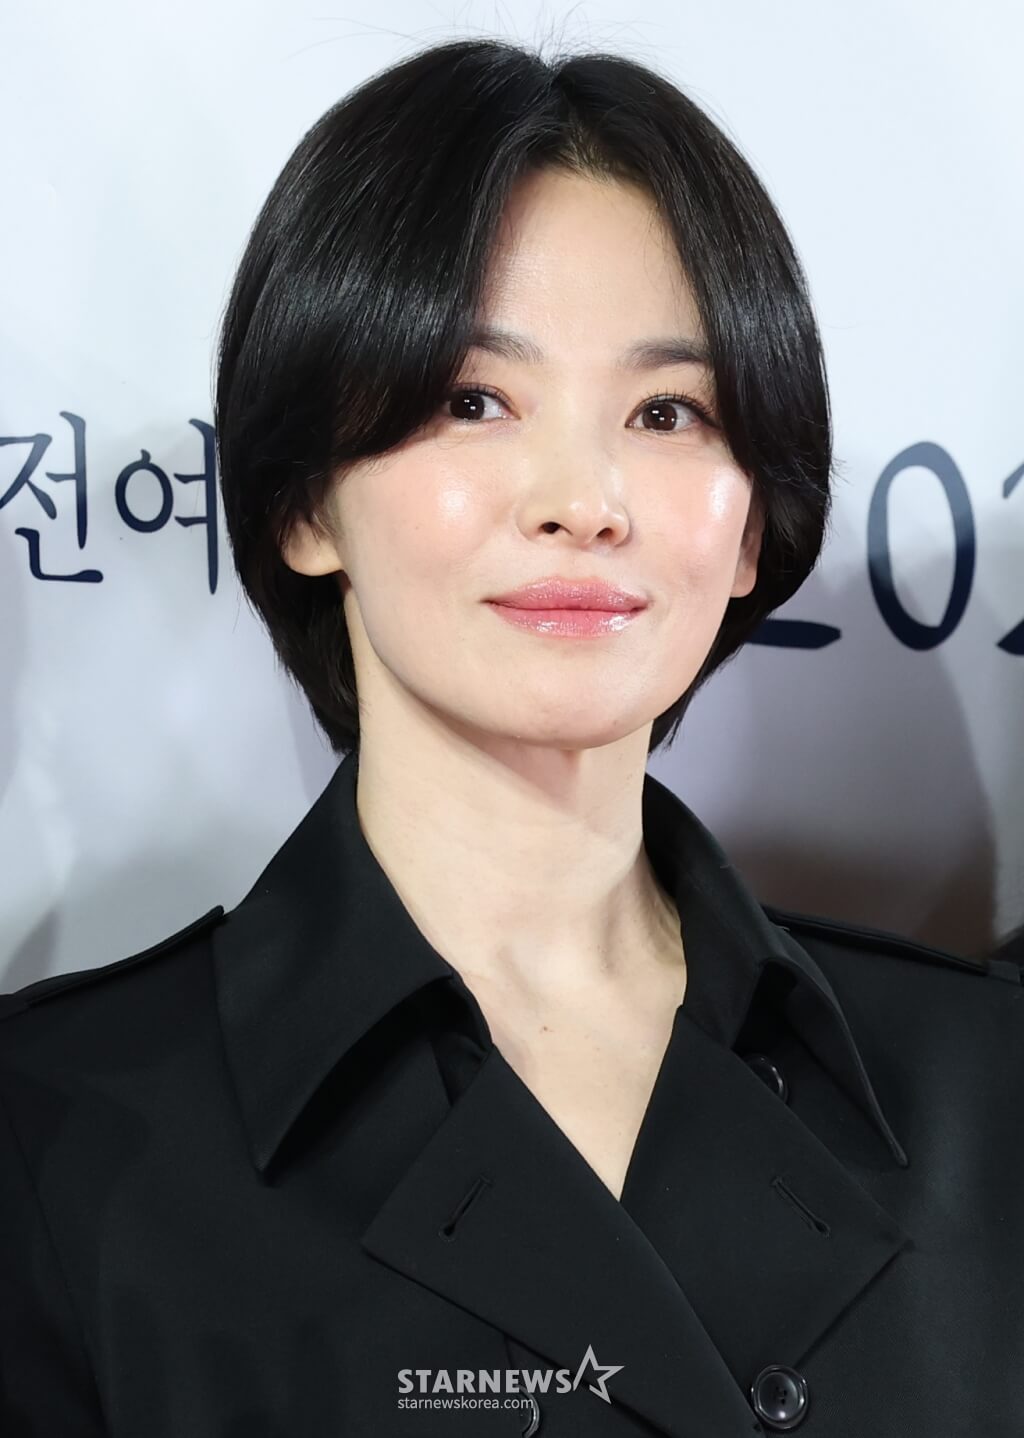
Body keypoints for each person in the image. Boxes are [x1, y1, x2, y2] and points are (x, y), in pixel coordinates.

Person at [2, 34, 1022, 1438]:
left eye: (667, 412)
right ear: (303, 504)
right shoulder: (55, 1139)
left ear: (750, 530)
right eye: (475, 400)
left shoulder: (984, 1083)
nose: (584, 499)